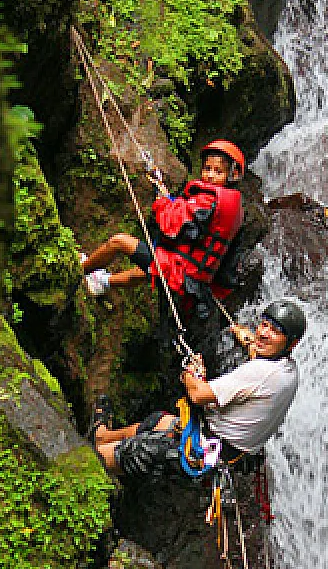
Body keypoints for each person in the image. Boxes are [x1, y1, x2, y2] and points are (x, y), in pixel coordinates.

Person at [92, 300, 307, 479]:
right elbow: (259, 360)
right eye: (264, 325)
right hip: (223, 446)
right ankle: (103, 436)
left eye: (275, 331)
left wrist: (191, 372)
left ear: (291, 343)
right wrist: (248, 340)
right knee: (158, 421)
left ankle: (93, 463)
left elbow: (197, 395)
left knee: (128, 454)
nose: (263, 333)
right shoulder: (288, 371)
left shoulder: (259, 372)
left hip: (204, 451)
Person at [80, 141, 245, 311]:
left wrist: (161, 200)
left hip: (177, 273)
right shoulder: (232, 209)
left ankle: (78, 271)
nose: (210, 175)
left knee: (119, 242)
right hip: (192, 282)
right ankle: (102, 283)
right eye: (207, 169)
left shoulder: (210, 199)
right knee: (147, 269)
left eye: (218, 172)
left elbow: (170, 224)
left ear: (232, 175)